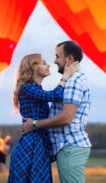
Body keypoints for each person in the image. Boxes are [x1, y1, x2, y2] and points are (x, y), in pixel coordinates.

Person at [22, 41, 91, 183]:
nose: (53, 62)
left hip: (69, 147)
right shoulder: (31, 88)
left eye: (57, 56)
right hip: (57, 146)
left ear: (69, 59)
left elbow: (66, 118)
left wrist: (34, 124)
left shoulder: (73, 82)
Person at [7, 53, 78, 183]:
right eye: (44, 62)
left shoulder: (36, 88)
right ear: (33, 67)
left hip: (39, 142)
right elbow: (56, 95)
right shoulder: (27, 89)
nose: (48, 64)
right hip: (30, 144)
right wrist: (66, 76)